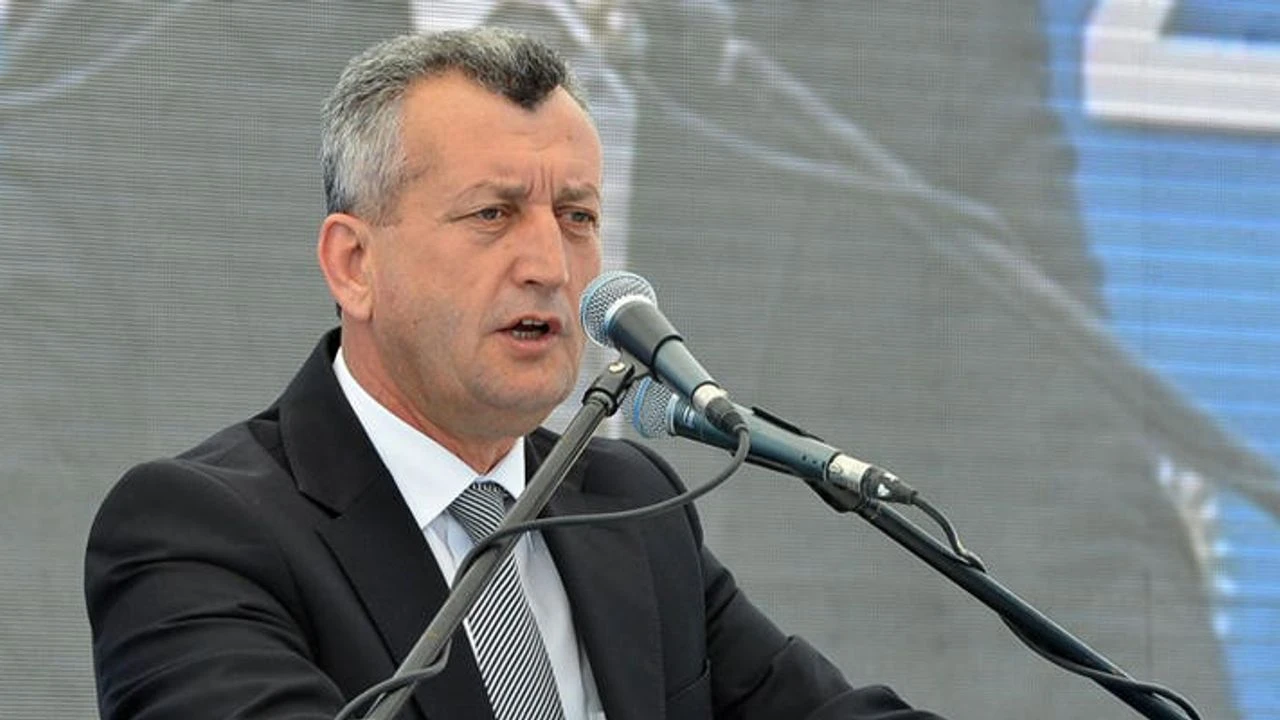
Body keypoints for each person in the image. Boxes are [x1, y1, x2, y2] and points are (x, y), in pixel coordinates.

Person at [84, 27, 946, 720]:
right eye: (493, 214)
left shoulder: (629, 505)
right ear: (354, 264)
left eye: (577, 216)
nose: (550, 265)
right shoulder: (195, 531)